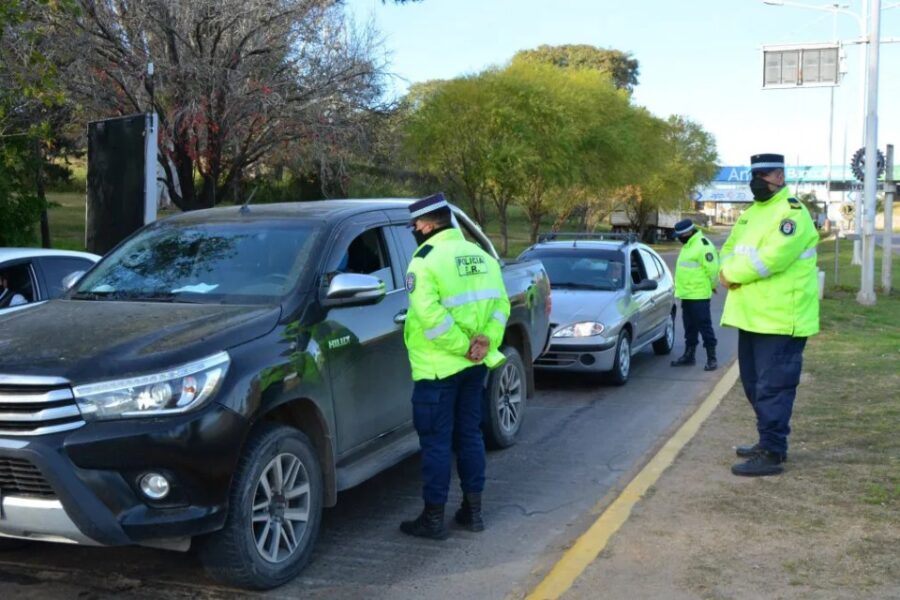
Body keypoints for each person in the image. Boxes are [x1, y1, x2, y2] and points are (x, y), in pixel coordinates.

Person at [399, 192, 511, 540]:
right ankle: (473, 513)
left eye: (415, 225)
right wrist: (485, 342)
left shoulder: (424, 261)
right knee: (470, 435)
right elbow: (501, 306)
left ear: (427, 225)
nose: (414, 230)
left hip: (438, 369)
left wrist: (464, 347)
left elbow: (430, 318)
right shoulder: (482, 257)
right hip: (475, 366)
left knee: (436, 443)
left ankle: (433, 519)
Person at [719, 153, 819, 477]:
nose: (756, 183)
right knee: (753, 386)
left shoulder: (792, 214)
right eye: (753, 176)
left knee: (773, 388)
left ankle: (773, 452)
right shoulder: (750, 214)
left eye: (762, 176)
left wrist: (732, 274)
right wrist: (727, 269)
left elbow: (772, 258)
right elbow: (728, 251)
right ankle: (768, 441)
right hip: (751, 316)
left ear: (779, 177)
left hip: (781, 319)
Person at [670, 219, 719, 371]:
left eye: (680, 236)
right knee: (689, 328)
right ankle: (689, 356)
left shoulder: (703, 245)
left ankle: (712, 358)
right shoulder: (688, 245)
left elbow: (713, 270)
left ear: (688, 232)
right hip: (687, 295)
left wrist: (712, 286)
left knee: (705, 327)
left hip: (699, 295)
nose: (679, 239)